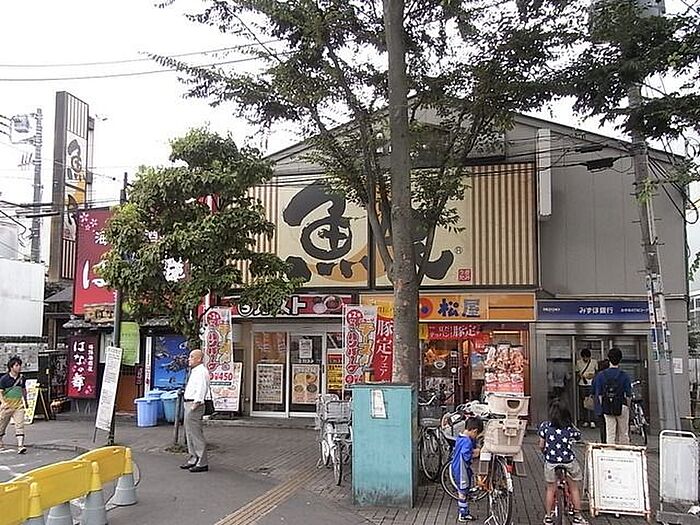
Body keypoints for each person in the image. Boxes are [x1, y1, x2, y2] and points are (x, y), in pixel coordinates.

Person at [539, 400, 588, 525]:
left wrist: (545, 452)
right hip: (568, 461)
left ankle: (548, 517)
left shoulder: (545, 426)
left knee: (551, 489)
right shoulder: (569, 428)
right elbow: (578, 436)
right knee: (574, 488)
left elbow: (541, 445)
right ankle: (577, 516)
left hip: (551, 461)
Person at [180, 349, 210, 473]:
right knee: (189, 432)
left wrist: (196, 403)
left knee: (196, 433)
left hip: (194, 404)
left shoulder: (202, 371)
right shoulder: (195, 371)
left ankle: (202, 461)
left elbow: (201, 388)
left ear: (199, 359)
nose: (189, 359)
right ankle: (193, 458)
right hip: (189, 403)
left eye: (192, 357)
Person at [595, 347, 632, 445]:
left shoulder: (601, 375)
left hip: (607, 406)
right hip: (622, 405)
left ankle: (610, 450)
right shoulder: (624, 375)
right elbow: (628, 395)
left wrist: (603, 405)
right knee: (623, 433)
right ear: (620, 359)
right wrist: (628, 407)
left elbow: (599, 395)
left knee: (610, 433)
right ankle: (624, 451)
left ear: (609, 359)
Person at [451, 417, 483, 522]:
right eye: (476, 434)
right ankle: (463, 514)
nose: (476, 437)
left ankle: (464, 511)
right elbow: (465, 455)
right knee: (462, 491)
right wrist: (475, 453)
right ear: (474, 431)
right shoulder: (467, 442)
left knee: (463, 490)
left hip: (456, 466)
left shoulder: (460, 437)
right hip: (462, 470)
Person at [0, 356, 28, 454]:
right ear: (11, 367)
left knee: (20, 425)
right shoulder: (4, 379)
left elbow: (23, 390)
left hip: (18, 406)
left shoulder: (22, 378)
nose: (19, 367)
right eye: (16, 365)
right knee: (2, 425)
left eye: (19, 365)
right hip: (7, 406)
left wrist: (26, 401)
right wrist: (3, 402)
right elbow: (0, 392)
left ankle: (20, 446)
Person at [575, 348, 598, 428]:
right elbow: (577, 372)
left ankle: (592, 420)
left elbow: (597, 372)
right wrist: (581, 375)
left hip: (591, 384)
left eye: (587, 357)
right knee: (583, 403)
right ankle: (585, 420)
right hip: (582, 384)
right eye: (584, 357)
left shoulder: (594, 362)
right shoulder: (578, 363)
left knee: (592, 402)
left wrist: (593, 375)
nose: (586, 359)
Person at [592, 359, 610, 443]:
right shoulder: (609, 375)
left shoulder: (597, 377)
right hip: (611, 404)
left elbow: (592, 391)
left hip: (599, 405)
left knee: (602, 425)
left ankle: (603, 441)